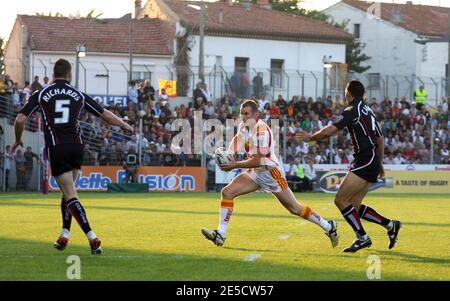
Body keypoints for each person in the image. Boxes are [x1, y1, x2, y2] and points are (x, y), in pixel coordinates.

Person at [11, 58, 133, 255]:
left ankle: (92, 237)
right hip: (77, 146)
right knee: (68, 192)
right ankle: (64, 234)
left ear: (53, 74)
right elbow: (105, 114)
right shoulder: (78, 94)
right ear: (69, 74)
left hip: (57, 147)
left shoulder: (41, 93)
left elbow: (20, 119)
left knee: (70, 193)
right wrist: (124, 125)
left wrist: (17, 139)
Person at [201, 99, 338, 248]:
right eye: (242, 114)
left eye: (247, 114)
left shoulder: (262, 131)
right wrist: (229, 153)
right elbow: (238, 139)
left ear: (256, 114)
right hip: (255, 173)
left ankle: (328, 226)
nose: (244, 117)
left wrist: (234, 165)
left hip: (271, 174)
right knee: (227, 192)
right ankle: (221, 234)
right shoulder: (244, 126)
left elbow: (259, 160)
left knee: (294, 208)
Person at [296, 80, 401, 253]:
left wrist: (310, 137)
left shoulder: (353, 110)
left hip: (365, 159)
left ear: (349, 94)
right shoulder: (368, 110)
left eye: (345, 92)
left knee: (340, 200)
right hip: (371, 160)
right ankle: (390, 225)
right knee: (355, 206)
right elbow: (380, 138)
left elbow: (332, 130)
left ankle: (362, 237)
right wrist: (379, 162)